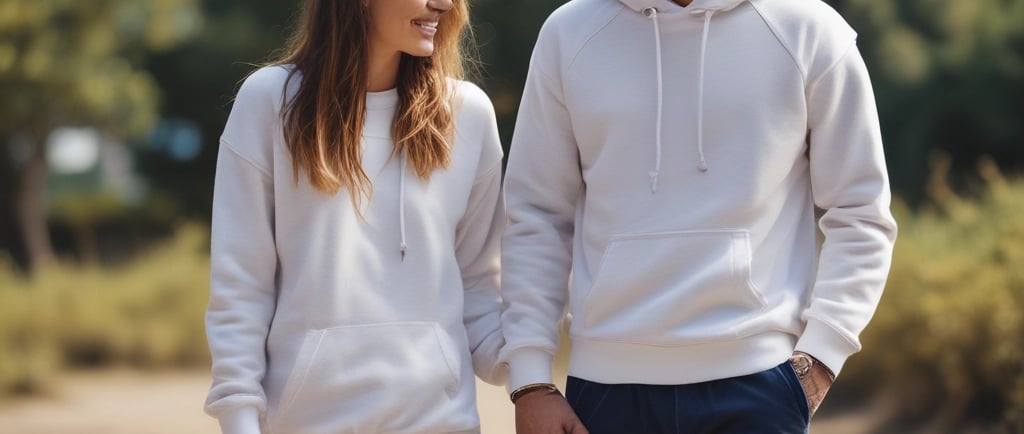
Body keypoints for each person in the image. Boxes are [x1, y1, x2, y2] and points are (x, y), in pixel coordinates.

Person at [498, 0, 898, 432]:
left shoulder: (809, 29)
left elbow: (860, 211)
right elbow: (536, 216)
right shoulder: (569, 32)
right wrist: (531, 380)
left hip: (758, 385)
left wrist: (822, 355)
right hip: (605, 388)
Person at [203, 0, 508, 432]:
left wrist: (536, 362)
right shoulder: (270, 102)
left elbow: (480, 288)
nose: (443, 3)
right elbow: (240, 289)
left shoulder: (468, 115)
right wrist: (238, 419)